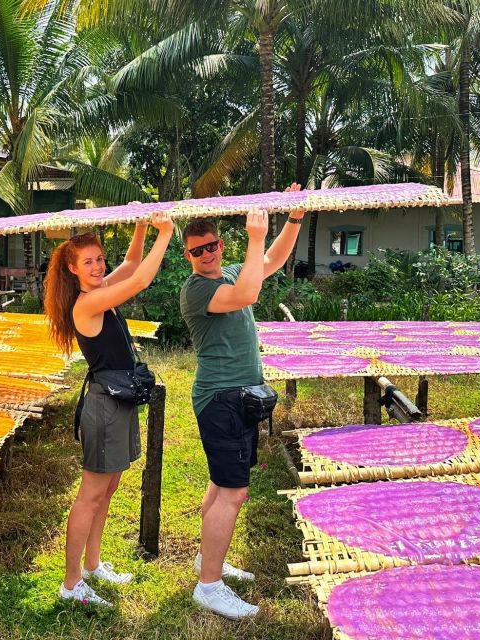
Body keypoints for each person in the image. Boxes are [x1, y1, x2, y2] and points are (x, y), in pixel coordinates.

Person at [179, 187, 305, 619]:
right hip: (221, 400)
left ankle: (206, 561)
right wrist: (256, 236)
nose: (207, 254)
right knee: (234, 492)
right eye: (198, 250)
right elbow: (249, 294)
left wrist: (293, 220)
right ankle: (209, 586)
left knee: (220, 486)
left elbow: (270, 262)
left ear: (220, 244)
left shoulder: (234, 270)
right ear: (188, 256)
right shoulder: (195, 291)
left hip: (240, 398)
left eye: (212, 245)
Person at [44, 212, 174, 608]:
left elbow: (132, 265)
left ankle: (93, 565)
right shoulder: (87, 304)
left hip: (118, 402)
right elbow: (141, 279)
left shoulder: (100, 289)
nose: (99, 267)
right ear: (72, 269)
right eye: (89, 262)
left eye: (100, 259)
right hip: (102, 408)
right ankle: (71, 585)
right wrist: (165, 234)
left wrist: (138, 226)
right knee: (90, 494)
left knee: (108, 489)